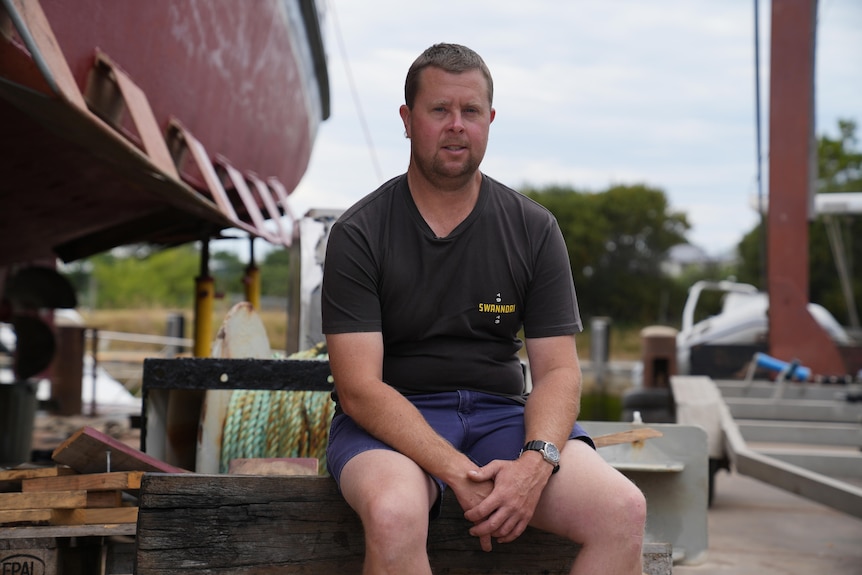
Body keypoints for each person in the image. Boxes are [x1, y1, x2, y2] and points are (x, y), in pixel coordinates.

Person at [321, 42, 646, 574]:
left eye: (470, 111)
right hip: (392, 421)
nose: (456, 125)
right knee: (394, 513)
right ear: (407, 120)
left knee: (623, 511)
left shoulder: (533, 228)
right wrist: (457, 472)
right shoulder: (359, 233)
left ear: (489, 120)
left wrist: (536, 460)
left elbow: (559, 372)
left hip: (502, 418)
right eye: (439, 110)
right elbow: (359, 388)